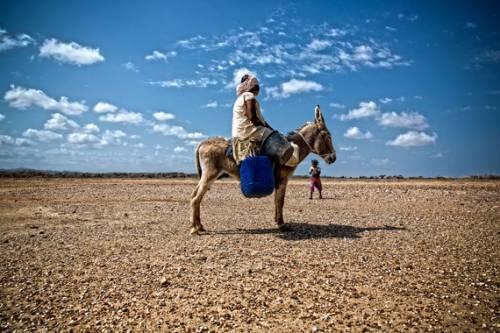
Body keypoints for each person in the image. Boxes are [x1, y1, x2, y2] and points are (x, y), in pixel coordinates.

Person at [231, 74, 272, 164]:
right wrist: (271, 132)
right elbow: (252, 117)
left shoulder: (240, 98)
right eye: (256, 86)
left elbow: (261, 120)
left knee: (270, 132)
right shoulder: (249, 96)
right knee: (273, 138)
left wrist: (270, 128)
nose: (258, 88)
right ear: (250, 85)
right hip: (248, 131)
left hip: (239, 133)